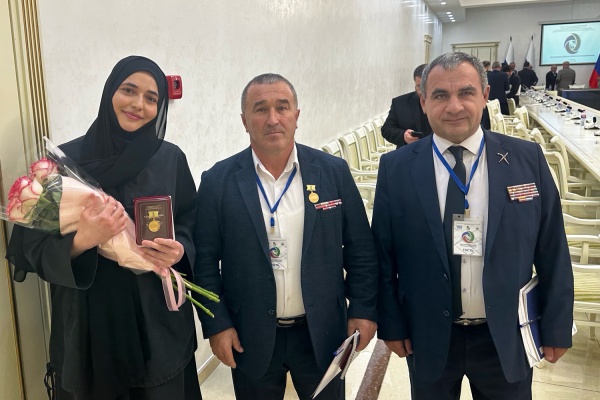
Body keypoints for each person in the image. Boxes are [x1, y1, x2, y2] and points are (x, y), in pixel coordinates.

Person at [372, 52, 574, 400]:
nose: (454, 106)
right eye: (440, 95)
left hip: (506, 335)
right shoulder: (396, 168)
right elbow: (383, 256)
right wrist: (391, 323)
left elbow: (552, 248)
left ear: (485, 95)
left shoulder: (526, 159)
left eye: (466, 92)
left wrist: (556, 325)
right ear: (423, 101)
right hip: (428, 336)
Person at [6, 56, 201, 400]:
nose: (138, 104)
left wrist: (180, 249)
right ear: (110, 92)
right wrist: (82, 241)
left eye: (151, 98)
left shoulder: (170, 159)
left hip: (156, 323)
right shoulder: (64, 163)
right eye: (129, 90)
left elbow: (190, 222)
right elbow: (30, 249)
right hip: (88, 326)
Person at [193, 73, 378, 400]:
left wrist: (362, 309)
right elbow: (204, 262)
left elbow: (361, 249)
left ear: (296, 115)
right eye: (260, 109)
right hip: (250, 335)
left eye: (282, 107)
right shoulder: (218, 181)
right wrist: (217, 325)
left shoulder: (332, 172)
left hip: (323, 332)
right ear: (244, 120)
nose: (273, 118)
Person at [382, 64, 432, 148]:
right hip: (408, 152)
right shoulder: (399, 103)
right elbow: (387, 129)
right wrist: (403, 136)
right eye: (419, 86)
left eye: (426, 86)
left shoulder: (446, 102)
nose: (422, 91)